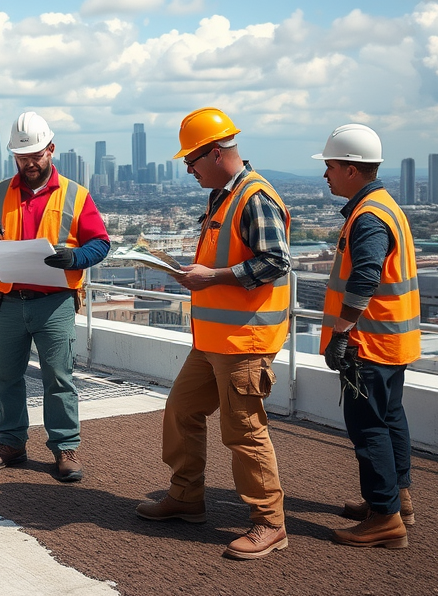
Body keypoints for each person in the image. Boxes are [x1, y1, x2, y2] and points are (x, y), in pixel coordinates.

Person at [136, 107, 292, 561]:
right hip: (212, 341)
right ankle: (186, 498)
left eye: (191, 159)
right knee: (182, 409)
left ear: (217, 152)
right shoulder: (223, 196)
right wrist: (205, 276)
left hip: (244, 342)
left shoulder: (254, 197)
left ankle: (270, 523)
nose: (187, 168)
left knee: (244, 431)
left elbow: (277, 261)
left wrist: (214, 276)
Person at [0, 111, 110, 483]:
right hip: (8, 303)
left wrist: (76, 257)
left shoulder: (76, 195)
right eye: (21, 157)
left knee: (59, 378)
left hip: (54, 302)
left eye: (36, 156)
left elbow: (100, 243)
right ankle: (11, 442)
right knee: (6, 377)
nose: (29, 164)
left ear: (51, 150)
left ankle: (65, 448)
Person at [313, 123, 420, 549]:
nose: (325, 175)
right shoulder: (386, 206)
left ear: (353, 170)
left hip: (368, 345)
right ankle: (398, 501)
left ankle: (384, 518)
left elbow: (366, 276)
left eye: (331, 167)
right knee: (391, 418)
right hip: (393, 340)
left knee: (368, 427)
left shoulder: (369, 216)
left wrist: (342, 332)